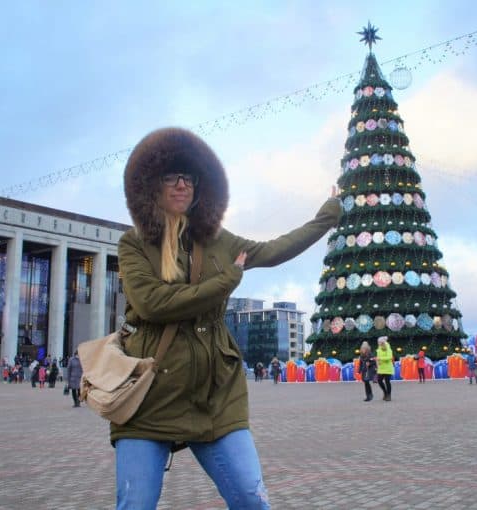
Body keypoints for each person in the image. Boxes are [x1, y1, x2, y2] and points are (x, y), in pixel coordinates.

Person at [111, 127, 341, 510]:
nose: (182, 185)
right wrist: (226, 282)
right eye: (171, 176)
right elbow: (153, 303)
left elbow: (273, 249)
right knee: (135, 504)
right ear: (152, 185)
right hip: (150, 392)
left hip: (215, 391)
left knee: (252, 498)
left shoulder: (220, 240)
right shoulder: (133, 243)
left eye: (189, 177)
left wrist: (325, 219)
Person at [375, 336, 394, 401]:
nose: (378, 343)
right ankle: (385, 392)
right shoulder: (379, 349)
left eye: (379, 342)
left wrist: (380, 359)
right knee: (379, 381)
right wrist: (377, 362)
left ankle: (389, 395)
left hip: (388, 368)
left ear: (382, 342)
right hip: (381, 368)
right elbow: (378, 357)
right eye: (378, 342)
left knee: (387, 381)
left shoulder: (388, 349)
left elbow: (389, 357)